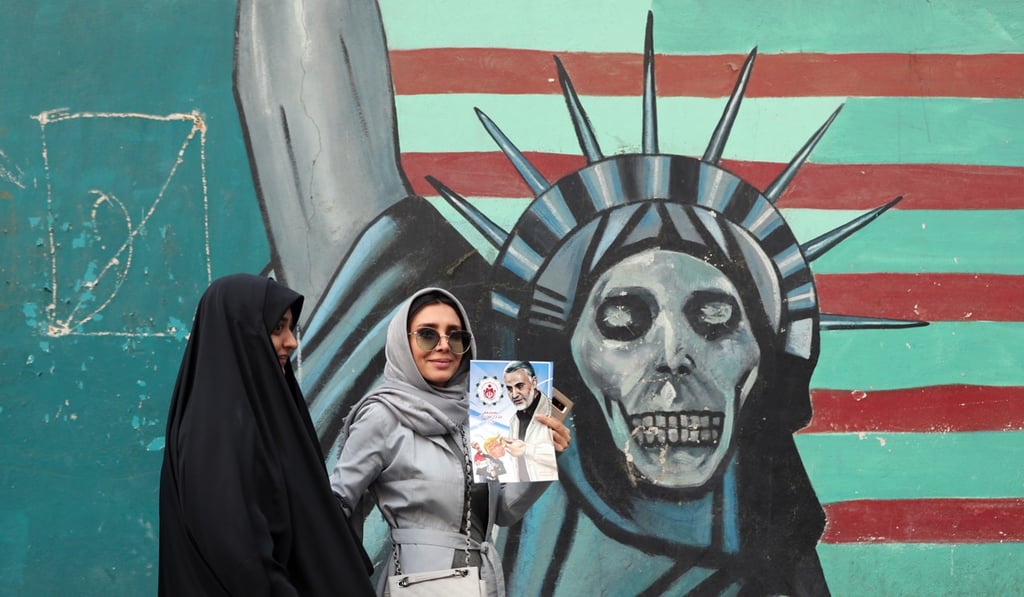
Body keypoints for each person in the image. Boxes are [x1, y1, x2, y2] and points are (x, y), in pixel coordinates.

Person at [329, 288, 571, 596]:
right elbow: (336, 505)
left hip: (483, 583)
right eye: (427, 335)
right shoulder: (382, 415)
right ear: (403, 342)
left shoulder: (480, 415)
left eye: (456, 337)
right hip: (420, 586)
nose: (444, 346)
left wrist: (541, 455)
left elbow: (503, 512)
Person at [158, 273, 374, 596]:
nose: (291, 341)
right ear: (241, 331)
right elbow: (239, 554)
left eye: (290, 328)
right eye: (277, 328)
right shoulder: (218, 431)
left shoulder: (254, 418)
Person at [502, 361, 558, 482]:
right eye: (509, 389)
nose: (514, 394)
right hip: (523, 493)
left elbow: (567, 457)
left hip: (550, 493)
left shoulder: (554, 412)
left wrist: (526, 449)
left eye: (519, 386)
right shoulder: (514, 420)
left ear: (534, 382)